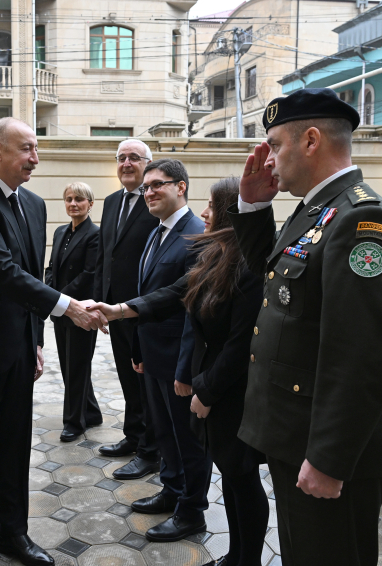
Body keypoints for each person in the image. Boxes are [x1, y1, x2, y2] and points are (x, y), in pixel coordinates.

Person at [229, 88, 382, 566]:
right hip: (298, 437)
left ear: (311, 140)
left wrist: (330, 460)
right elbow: (277, 282)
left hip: (330, 453)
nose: (267, 159)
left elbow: (363, 355)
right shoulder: (317, 208)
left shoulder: (362, 219)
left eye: (274, 144)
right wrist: (251, 207)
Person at [0, 117, 107, 566]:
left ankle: (13, 535)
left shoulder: (32, 203)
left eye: (36, 148)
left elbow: (31, 279)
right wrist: (69, 307)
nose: (35, 157)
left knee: (15, 447)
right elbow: (2, 272)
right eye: (26, 148)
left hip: (18, 346)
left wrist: (36, 341)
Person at [91, 178, 270, 566]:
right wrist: (118, 310)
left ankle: (247, 560)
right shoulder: (218, 255)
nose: (204, 213)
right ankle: (235, 556)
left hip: (234, 392)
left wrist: (204, 391)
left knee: (243, 479)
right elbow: (174, 292)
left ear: (230, 214)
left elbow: (241, 345)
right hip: (217, 388)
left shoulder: (249, 266)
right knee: (234, 479)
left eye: (211, 206)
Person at [123, 158, 210, 541]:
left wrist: (186, 370)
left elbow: (189, 305)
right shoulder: (157, 231)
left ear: (182, 187)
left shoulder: (197, 234)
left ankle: (192, 511)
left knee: (187, 439)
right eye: (146, 187)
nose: (149, 192)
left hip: (180, 360)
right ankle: (172, 491)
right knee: (164, 433)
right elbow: (148, 292)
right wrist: (139, 350)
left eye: (158, 184)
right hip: (154, 354)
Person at [93, 139, 161, 480]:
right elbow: (107, 257)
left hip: (143, 310)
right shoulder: (110, 202)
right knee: (126, 378)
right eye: (121, 158)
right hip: (114, 310)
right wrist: (101, 304)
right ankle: (133, 436)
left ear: (147, 164)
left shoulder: (155, 202)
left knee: (147, 383)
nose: (126, 163)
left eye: (134, 157)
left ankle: (151, 449)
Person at [45, 182, 103, 442]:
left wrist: (61, 298)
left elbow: (89, 274)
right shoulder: (59, 232)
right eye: (69, 199)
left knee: (77, 366)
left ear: (90, 204)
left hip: (81, 310)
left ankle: (74, 423)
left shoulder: (95, 234)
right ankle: (91, 412)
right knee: (70, 366)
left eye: (79, 199)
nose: (73, 204)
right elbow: (51, 268)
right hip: (60, 310)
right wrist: (47, 293)